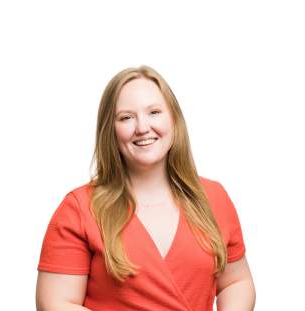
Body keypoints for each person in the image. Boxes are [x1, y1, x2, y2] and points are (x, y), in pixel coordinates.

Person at [36, 65, 256, 311]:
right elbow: (55, 303)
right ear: (110, 129)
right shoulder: (78, 209)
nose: (142, 127)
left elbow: (235, 281)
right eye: (126, 117)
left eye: (154, 112)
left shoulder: (214, 198)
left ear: (173, 118)